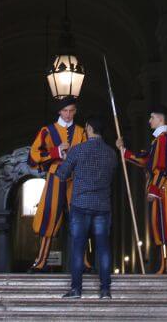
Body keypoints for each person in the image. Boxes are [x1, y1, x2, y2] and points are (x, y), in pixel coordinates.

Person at [55, 115, 117, 299]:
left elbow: (62, 174)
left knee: (78, 248)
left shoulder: (77, 150)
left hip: (80, 205)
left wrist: (66, 159)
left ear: (88, 128)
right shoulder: (111, 153)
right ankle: (105, 290)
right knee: (103, 248)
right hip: (102, 206)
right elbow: (111, 175)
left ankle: (76, 290)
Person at [26, 96, 86, 272]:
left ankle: (84, 261)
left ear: (75, 111)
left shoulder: (82, 132)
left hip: (76, 178)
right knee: (49, 218)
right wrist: (56, 151)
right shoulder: (48, 130)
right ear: (59, 111)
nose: (68, 114)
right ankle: (41, 261)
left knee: (79, 218)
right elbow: (33, 154)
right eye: (65, 111)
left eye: (71, 111)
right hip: (55, 177)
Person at [116, 104, 167, 274]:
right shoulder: (157, 141)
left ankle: (165, 266)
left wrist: (154, 189)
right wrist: (124, 151)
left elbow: (162, 167)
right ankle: (163, 265)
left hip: (162, 190)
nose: (149, 121)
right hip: (159, 190)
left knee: (164, 230)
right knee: (158, 228)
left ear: (160, 119)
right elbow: (147, 161)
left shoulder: (163, 140)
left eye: (152, 118)